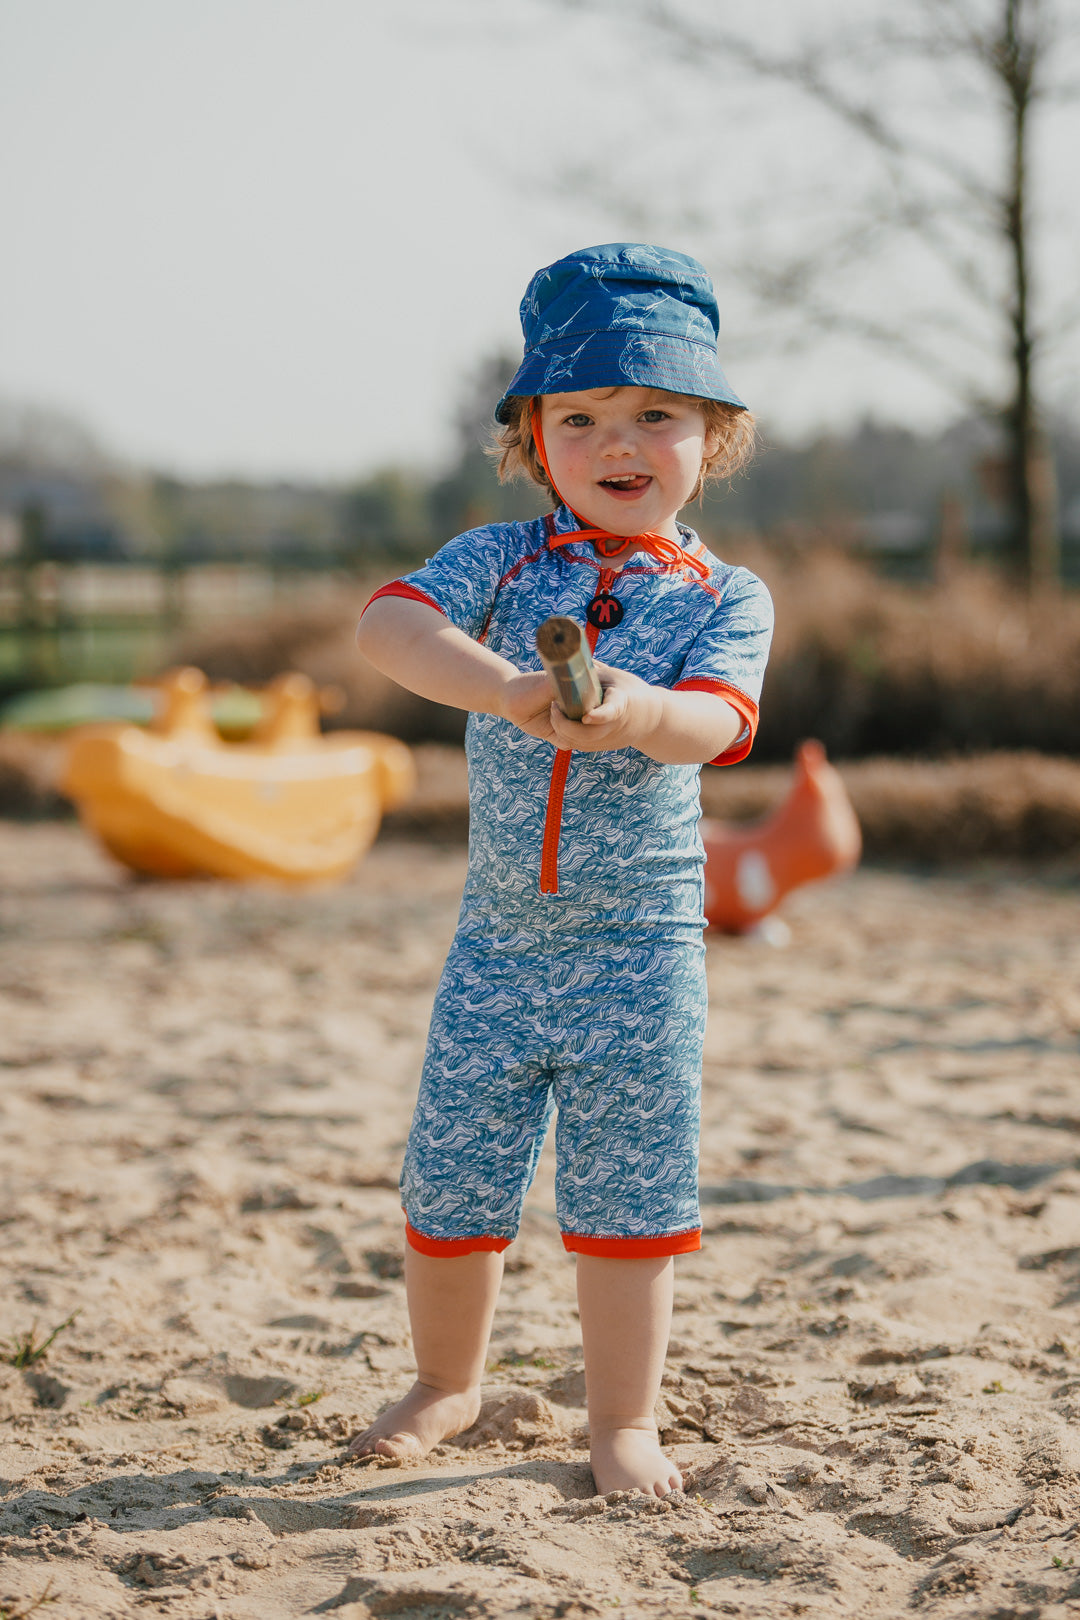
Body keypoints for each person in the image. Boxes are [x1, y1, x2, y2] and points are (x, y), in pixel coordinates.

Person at [349, 243, 773, 1497]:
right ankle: (446, 1383)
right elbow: (387, 624)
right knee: (451, 1181)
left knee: (631, 1198)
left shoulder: (725, 595)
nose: (617, 440)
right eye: (578, 416)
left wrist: (637, 712)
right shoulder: (500, 562)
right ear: (536, 440)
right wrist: (511, 690)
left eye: (657, 413)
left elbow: (718, 724)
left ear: (715, 437)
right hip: (496, 947)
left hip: (639, 954)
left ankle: (623, 1423)